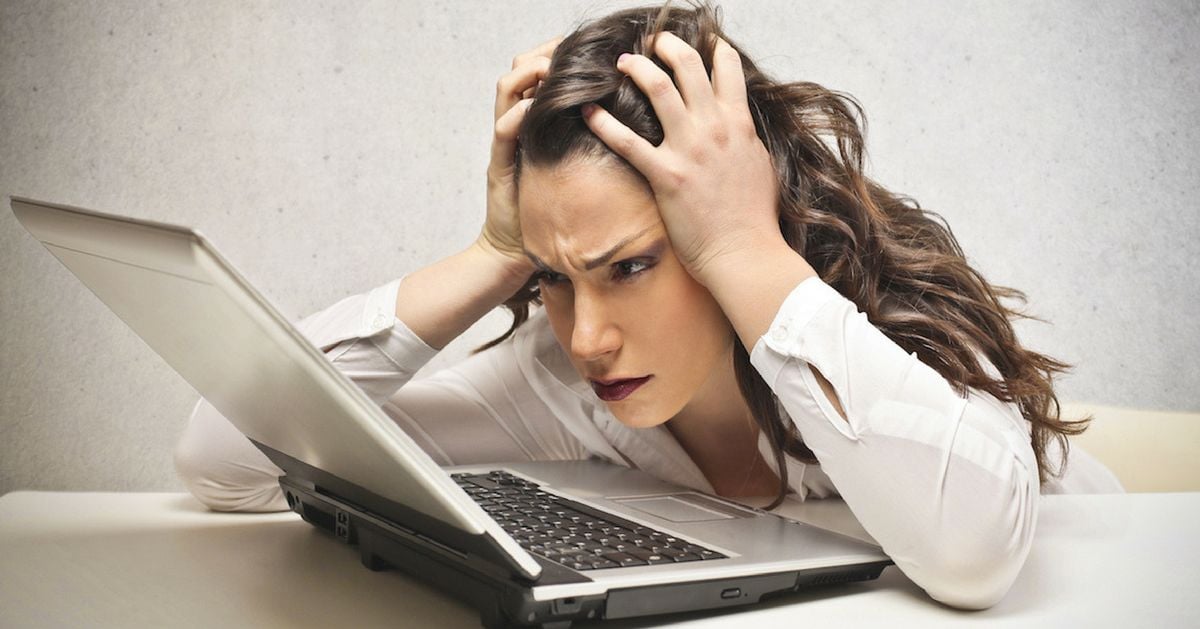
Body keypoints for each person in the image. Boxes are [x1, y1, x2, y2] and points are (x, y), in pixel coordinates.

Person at [174, 1, 1122, 611]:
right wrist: (496, 255)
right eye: (555, 277)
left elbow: (973, 559)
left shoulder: (893, 319)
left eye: (628, 267)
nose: (587, 337)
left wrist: (745, 249)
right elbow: (226, 458)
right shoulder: (556, 381)